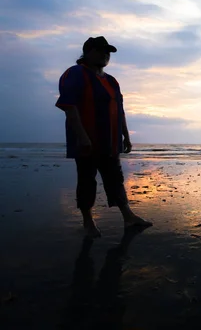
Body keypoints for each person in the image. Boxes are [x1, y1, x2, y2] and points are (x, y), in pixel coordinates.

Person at [56, 36, 152, 238]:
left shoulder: (111, 80)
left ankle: (128, 217)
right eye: (100, 50)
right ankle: (88, 221)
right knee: (86, 180)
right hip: (87, 141)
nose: (105, 55)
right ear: (87, 52)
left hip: (111, 141)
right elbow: (70, 108)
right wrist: (82, 137)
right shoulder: (75, 74)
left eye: (107, 52)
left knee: (115, 178)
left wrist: (126, 136)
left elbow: (120, 110)